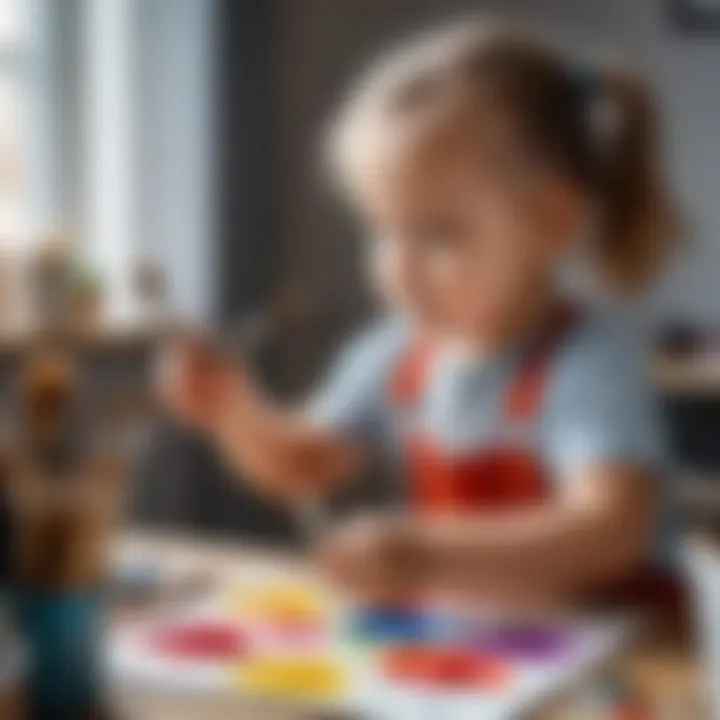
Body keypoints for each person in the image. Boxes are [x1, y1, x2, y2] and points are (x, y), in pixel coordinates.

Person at [160, 19, 682, 610]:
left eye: (438, 237)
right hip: (489, 648)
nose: (398, 270)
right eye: (383, 231)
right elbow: (300, 462)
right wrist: (233, 407)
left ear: (551, 219)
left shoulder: (588, 359)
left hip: (623, 657)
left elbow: (611, 531)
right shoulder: (394, 353)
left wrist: (426, 551)